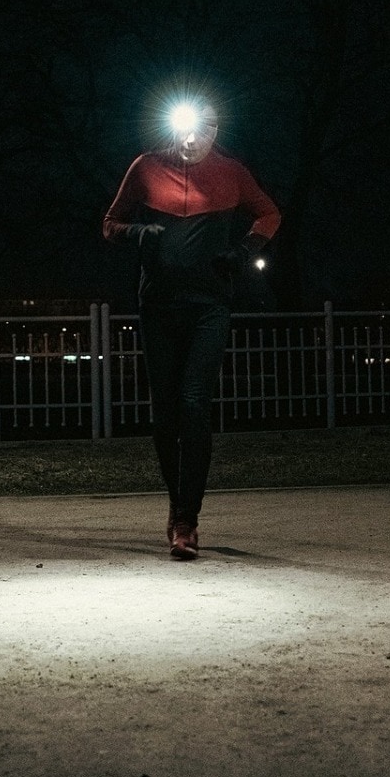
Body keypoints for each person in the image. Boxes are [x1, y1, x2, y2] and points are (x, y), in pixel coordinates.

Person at [102, 101, 281, 560]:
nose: (189, 141)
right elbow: (110, 224)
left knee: (195, 403)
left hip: (209, 307)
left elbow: (269, 215)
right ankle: (176, 505)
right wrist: (138, 234)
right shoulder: (146, 168)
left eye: (199, 132)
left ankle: (187, 520)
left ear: (214, 131)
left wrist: (243, 252)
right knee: (165, 412)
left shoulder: (232, 172)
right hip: (158, 307)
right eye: (181, 131)